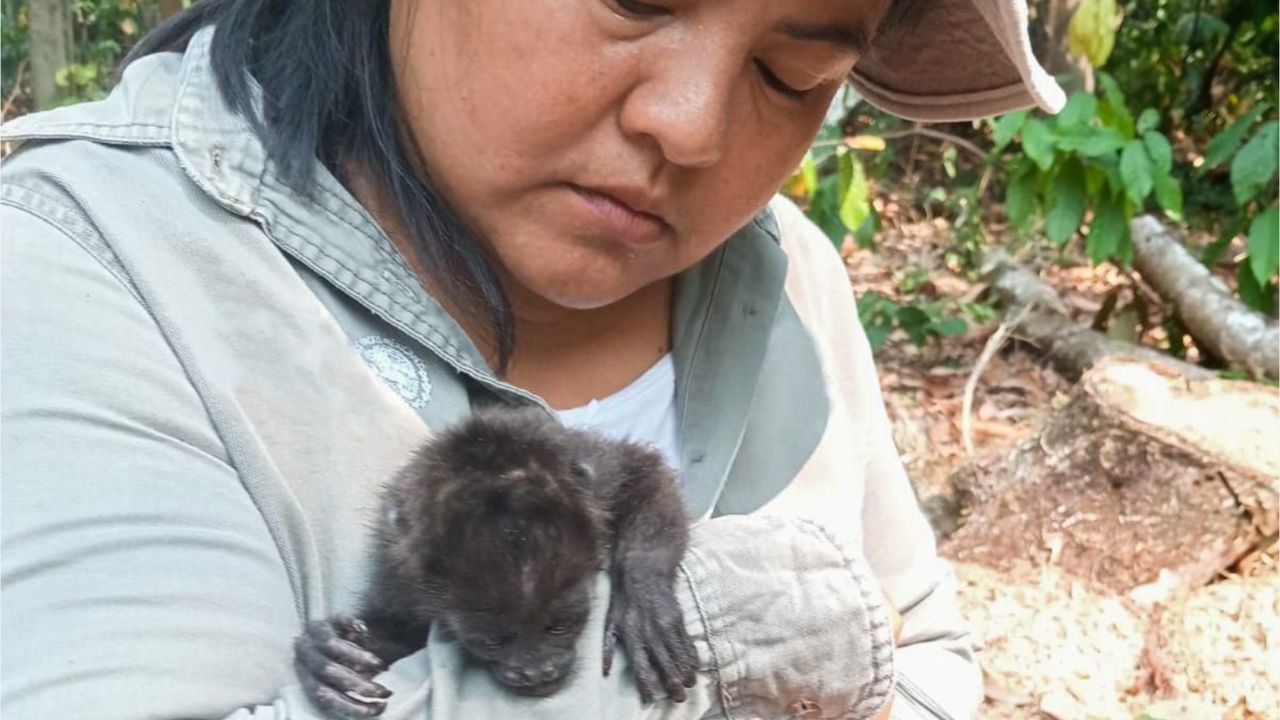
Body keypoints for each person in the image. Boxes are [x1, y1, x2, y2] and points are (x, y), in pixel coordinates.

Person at [0, 0, 1063, 718]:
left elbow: (921, 651)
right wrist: (754, 635)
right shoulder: (80, 273)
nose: (687, 126)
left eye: (791, 75)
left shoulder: (784, 277)